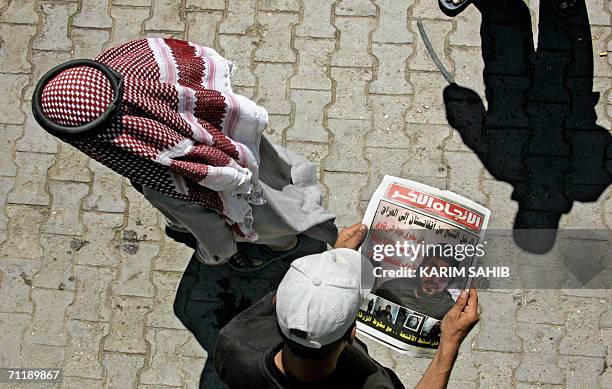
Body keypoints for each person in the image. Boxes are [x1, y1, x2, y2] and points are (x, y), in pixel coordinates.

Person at [32, 38, 337, 271]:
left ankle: (284, 246)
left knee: (277, 230)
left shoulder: (165, 181)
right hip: (265, 164)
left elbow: (213, 234)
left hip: (259, 213)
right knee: (284, 195)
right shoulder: (174, 96)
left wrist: (213, 256)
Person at [214, 223, 480, 388]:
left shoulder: (233, 343)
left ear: (276, 302)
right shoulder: (370, 382)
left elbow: (308, 301)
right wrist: (449, 344)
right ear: (353, 333)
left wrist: (333, 262)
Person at [373, 255, 458, 320]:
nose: (434, 278)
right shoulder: (391, 287)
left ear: (450, 281)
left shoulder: (451, 310)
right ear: (422, 266)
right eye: (432, 269)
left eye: (444, 273)